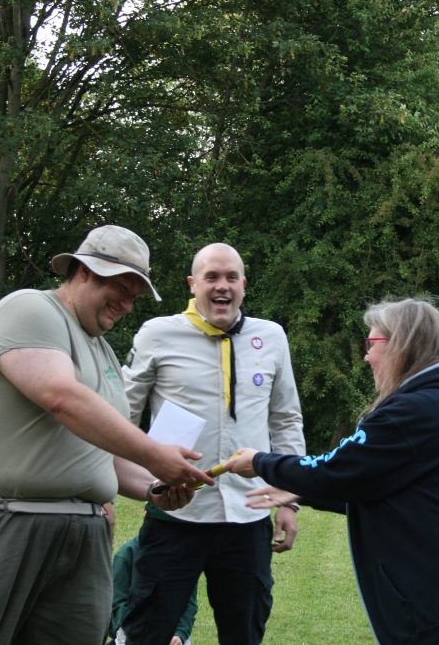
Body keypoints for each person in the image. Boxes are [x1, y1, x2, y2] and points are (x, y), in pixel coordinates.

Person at [0, 225, 213, 645]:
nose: (128, 305)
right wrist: (154, 454)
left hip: (81, 536)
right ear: (86, 271)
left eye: (135, 296)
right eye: (122, 289)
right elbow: (60, 396)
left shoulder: (104, 352)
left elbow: (103, 453)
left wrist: (154, 487)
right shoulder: (29, 309)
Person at [226, 298, 439, 645]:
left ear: (400, 346)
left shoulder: (414, 411)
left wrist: (260, 462)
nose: (366, 356)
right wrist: (301, 490)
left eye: (371, 343)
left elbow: (335, 469)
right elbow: (379, 487)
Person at [119, 242, 306, 645]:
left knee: (244, 633)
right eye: (212, 277)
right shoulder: (157, 334)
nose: (223, 286)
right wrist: (123, 483)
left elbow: (285, 419)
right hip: (176, 513)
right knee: (147, 633)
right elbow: (122, 418)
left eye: (231, 277)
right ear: (193, 284)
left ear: (244, 284)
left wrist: (290, 501)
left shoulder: (271, 336)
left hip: (248, 516)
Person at [110, 534, 197, 645]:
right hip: (133, 634)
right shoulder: (127, 554)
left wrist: (180, 633)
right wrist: (136, 632)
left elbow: (189, 603)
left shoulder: (183, 555)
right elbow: (118, 602)